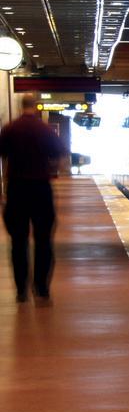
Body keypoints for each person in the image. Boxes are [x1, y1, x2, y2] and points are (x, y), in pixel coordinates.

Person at [0, 94, 66, 302]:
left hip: (16, 190)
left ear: (21, 106)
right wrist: (48, 166)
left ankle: (21, 290)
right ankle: (42, 288)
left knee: (18, 242)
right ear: (35, 107)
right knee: (43, 240)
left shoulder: (10, 129)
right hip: (41, 190)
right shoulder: (44, 129)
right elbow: (60, 157)